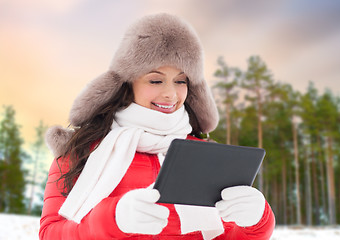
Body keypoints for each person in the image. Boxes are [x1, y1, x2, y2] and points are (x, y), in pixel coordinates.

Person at [40, 13, 275, 240]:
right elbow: (50, 233)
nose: (170, 94)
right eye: (155, 80)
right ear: (127, 83)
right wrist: (113, 218)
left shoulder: (203, 155)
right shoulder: (79, 151)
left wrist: (258, 221)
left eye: (181, 81)